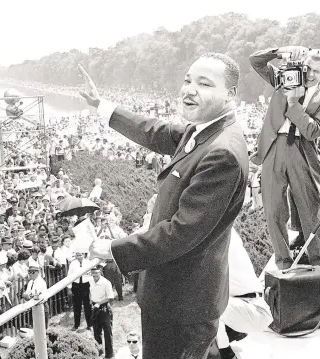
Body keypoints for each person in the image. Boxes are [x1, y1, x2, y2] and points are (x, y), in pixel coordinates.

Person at [80, 51, 249, 359]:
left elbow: (182, 232)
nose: (190, 89)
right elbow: (155, 131)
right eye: (187, 80)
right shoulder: (205, 130)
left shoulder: (221, 152)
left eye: (204, 83)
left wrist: (116, 249)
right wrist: (102, 106)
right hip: (178, 295)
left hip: (182, 305)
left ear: (231, 94)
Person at [249, 46, 320, 270]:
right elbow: (256, 61)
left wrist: (294, 104)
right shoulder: (285, 78)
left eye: (316, 71)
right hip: (273, 147)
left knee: (310, 208)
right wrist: (281, 51)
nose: (309, 74)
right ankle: (283, 261)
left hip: (303, 151)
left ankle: (319, 261)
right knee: (273, 208)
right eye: (306, 68)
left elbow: (314, 131)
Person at [212, 228, 273, 359]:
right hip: (244, 304)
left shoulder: (220, 240)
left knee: (209, 308)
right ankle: (230, 335)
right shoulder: (225, 232)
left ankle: (226, 354)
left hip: (254, 308)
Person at [90, 266, 115, 359]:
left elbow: (111, 297)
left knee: (107, 333)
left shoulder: (106, 283)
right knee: (96, 332)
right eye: (93, 274)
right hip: (95, 308)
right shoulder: (90, 280)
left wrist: (99, 303)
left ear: (100, 272)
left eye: (97, 274)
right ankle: (99, 353)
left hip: (104, 309)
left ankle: (109, 355)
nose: (95, 276)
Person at [67, 251, 92, 331]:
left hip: (86, 285)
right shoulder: (73, 264)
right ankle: (76, 325)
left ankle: (89, 324)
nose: (78, 257)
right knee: (77, 306)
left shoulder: (88, 262)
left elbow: (91, 275)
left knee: (87, 305)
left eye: (80, 255)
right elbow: (69, 276)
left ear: (84, 254)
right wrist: (69, 288)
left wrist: (91, 287)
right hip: (76, 286)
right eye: (77, 255)